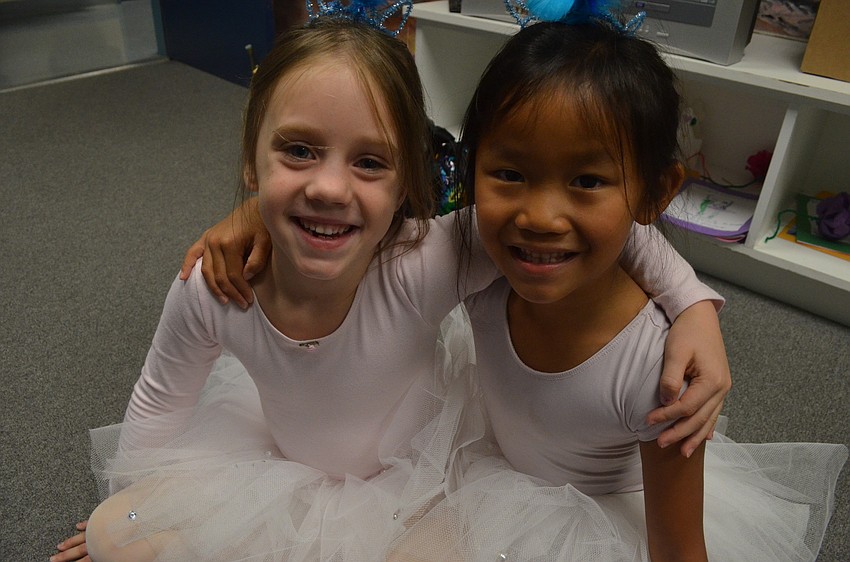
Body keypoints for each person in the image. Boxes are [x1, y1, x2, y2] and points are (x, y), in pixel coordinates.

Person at [54, 4, 732, 562]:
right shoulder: (216, 285)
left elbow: (609, 228)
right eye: (297, 150)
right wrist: (147, 500)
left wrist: (694, 304)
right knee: (119, 535)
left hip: (424, 480)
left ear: (409, 179)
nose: (326, 187)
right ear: (252, 160)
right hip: (274, 463)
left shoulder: (434, 257)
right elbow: (156, 404)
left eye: (370, 162)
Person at [388, 8, 849, 561]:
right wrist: (261, 221)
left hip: (598, 524)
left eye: (587, 181)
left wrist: (695, 307)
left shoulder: (658, 373)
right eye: (510, 174)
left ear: (655, 194)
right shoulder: (484, 257)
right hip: (488, 464)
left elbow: (678, 548)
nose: (540, 216)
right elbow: (369, 251)